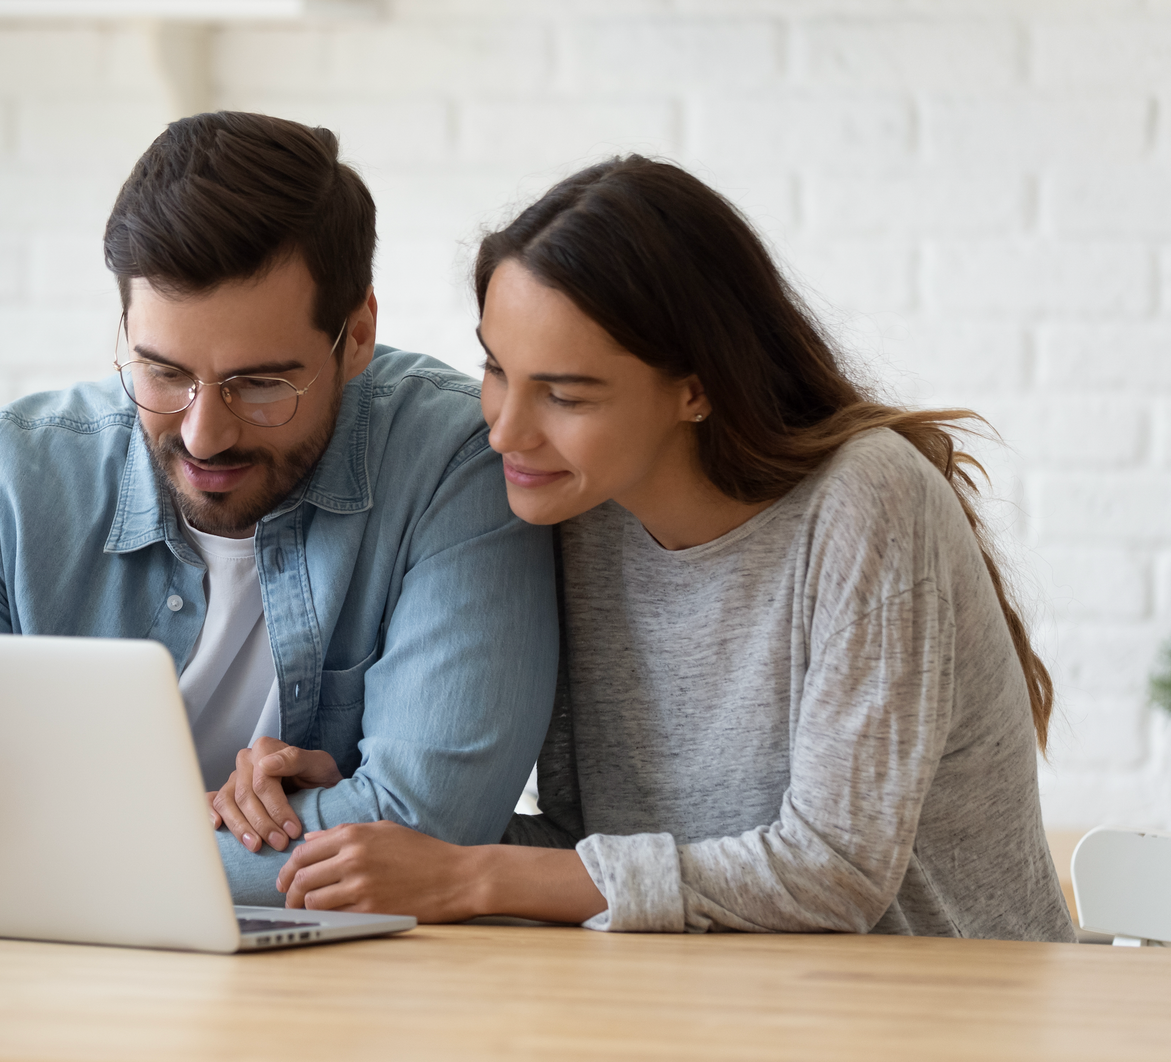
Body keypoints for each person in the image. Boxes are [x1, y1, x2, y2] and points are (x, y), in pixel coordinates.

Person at [270, 156, 1076, 942]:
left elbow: (834, 873)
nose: (504, 429)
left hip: (947, 1011)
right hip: (720, 1005)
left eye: (565, 393)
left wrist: (472, 876)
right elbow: (609, 861)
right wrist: (373, 831)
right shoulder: (581, 511)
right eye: (496, 368)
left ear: (696, 387)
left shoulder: (866, 501)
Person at [0, 112, 558, 907]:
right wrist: (195, 834)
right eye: (161, 373)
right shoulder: (15, 476)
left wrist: (8, 847)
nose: (204, 434)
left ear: (355, 336)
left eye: (259, 385)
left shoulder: (454, 462)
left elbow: (428, 830)